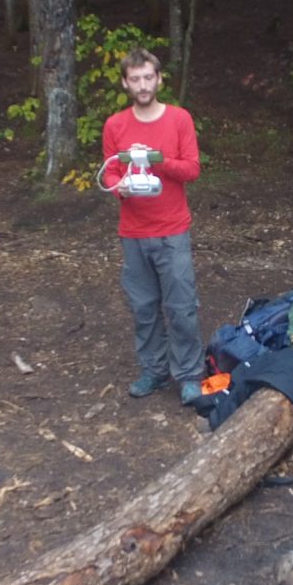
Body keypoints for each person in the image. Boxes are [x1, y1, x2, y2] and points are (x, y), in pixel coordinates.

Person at [101, 46, 203, 402]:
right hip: (133, 232)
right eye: (135, 79)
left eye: (148, 78)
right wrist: (121, 187)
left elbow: (192, 169)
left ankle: (189, 375)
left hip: (172, 230)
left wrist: (157, 162)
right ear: (125, 83)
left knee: (181, 307)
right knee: (144, 308)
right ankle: (154, 371)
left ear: (159, 79)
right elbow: (110, 171)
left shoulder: (179, 119)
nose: (143, 85)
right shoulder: (115, 125)